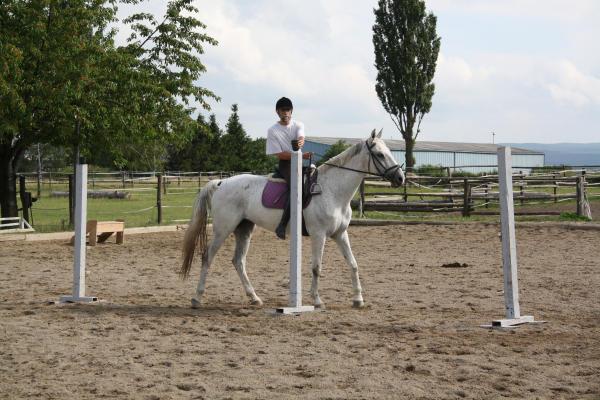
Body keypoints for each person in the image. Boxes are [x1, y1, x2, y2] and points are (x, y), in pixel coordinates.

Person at [266, 97, 311, 239]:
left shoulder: (298, 125)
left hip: (299, 161)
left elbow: (301, 137)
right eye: (283, 110)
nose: (285, 113)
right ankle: (282, 224)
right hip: (285, 164)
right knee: (297, 187)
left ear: (291, 111)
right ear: (277, 112)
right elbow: (279, 154)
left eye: (288, 110)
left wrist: (301, 142)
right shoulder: (272, 131)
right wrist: (299, 155)